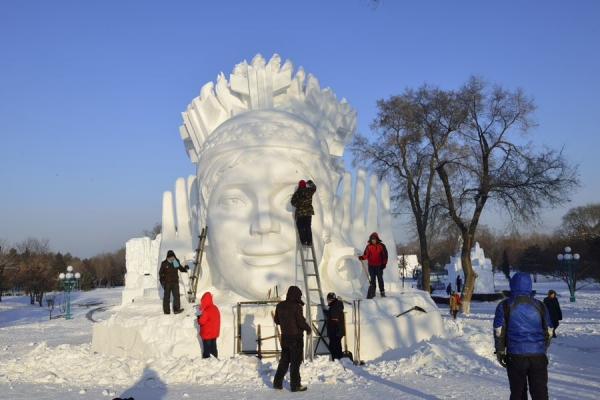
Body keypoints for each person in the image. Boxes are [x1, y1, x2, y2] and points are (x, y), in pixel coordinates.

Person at [493, 273, 553, 400]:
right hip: (538, 356)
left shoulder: (504, 306)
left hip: (515, 356)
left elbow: (499, 331)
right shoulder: (540, 305)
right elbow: (549, 330)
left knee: (518, 393)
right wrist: (542, 347)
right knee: (540, 393)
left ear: (512, 285)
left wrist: (500, 351)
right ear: (529, 285)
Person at [273, 286, 311, 392]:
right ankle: (295, 385)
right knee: (295, 362)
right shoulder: (296, 306)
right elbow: (300, 322)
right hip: (296, 338)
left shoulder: (280, 305)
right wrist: (308, 328)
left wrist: (285, 321)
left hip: (285, 337)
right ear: (296, 295)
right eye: (299, 295)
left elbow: (277, 320)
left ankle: (277, 383)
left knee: (284, 361)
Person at [358, 232, 388, 298]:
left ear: (377, 239)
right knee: (372, 280)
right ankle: (372, 293)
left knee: (380, 279)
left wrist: (384, 264)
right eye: (372, 239)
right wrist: (362, 257)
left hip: (379, 266)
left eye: (374, 239)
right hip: (371, 266)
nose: (373, 240)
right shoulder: (368, 246)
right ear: (370, 240)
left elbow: (385, 256)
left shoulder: (381, 246)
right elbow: (366, 255)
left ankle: (382, 292)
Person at [158, 250, 188, 315]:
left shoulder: (175, 262)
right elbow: (160, 274)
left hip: (175, 282)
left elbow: (180, 268)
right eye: (170, 257)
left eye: (173, 257)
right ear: (167, 257)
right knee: (166, 297)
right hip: (167, 283)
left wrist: (185, 269)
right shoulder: (164, 263)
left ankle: (176, 309)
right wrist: (163, 283)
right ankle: (166, 311)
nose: (172, 258)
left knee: (176, 296)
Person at [291, 179, 317, 246]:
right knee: (308, 226)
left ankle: (303, 241)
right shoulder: (309, 191)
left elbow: (292, 202)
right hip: (308, 212)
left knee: (301, 227)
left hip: (300, 213)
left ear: (299, 186)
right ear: (305, 185)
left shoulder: (297, 193)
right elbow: (314, 188)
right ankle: (309, 242)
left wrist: (298, 205)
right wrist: (310, 182)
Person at [197, 291, 220, 358]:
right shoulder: (215, 308)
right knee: (213, 347)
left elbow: (201, 322)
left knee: (207, 349)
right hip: (214, 333)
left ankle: (206, 360)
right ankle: (215, 359)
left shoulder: (206, 310)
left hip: (207, 333)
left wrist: (199, 318)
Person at [324, 292, 345, 360]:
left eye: (328, 300)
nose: (328, 301)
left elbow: (334, 319)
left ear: (331, 300)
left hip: (335, 331)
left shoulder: (334, 306)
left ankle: (336, 360)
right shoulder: (337, 305)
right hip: (338, 331)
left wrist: (327, 313)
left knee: (334, 347)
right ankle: (339, 360)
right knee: (337, 347)